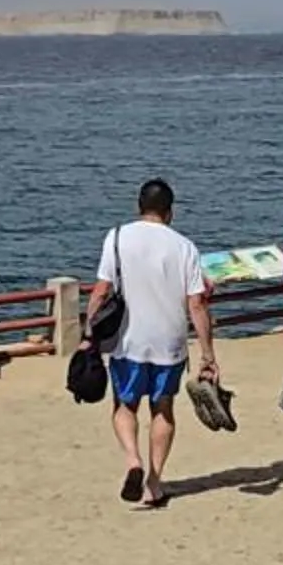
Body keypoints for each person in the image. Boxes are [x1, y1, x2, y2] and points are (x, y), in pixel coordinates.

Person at [85, 178, 220, 509]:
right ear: (170, 211)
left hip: (128, 341)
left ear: (139, 206)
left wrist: (89, 334)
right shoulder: (184, 246)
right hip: (170, 342)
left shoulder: (117, 237)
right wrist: (207, 354)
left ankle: (133, 460)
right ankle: (154, 484)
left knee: (124, 406)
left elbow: (101, 290)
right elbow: (197, 304)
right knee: (163, 409)